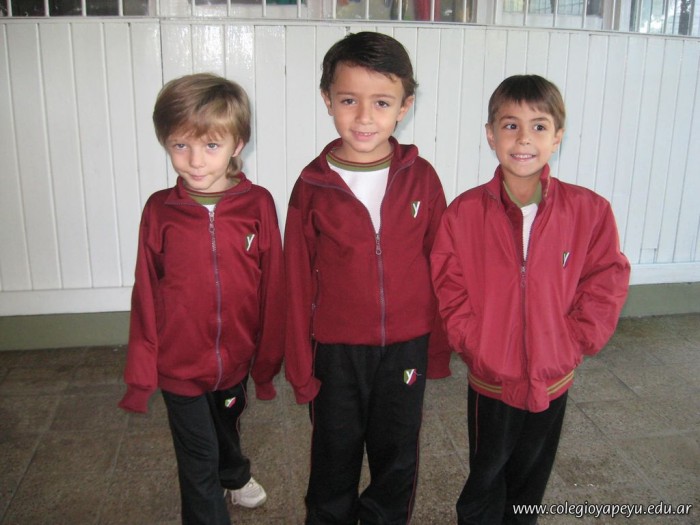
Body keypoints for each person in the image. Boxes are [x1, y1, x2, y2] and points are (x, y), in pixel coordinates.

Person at [430, 74, 631, 524]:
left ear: (558, 136)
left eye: (539, 126)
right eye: (510, 125)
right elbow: (448, 284)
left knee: (530, 479)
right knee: (486, 477)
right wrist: (473, 342)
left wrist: (573, 341)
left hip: (552, 376)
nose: (524, 139)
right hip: (491, 380)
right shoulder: (463, 213)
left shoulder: (589, 211)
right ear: (490, 134)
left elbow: (606, 279)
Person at [284, 31, 451, 525]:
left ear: (404, 106)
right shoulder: (311, 186)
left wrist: (438, 348)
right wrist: (299, 363)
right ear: (327, 100)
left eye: (381, 102)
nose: (363, 117)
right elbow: (296, 281)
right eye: (348, 100)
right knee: (333, 454)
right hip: (335, 351)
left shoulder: (422, 178)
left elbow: (442, 266)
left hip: (406, 346)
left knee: (397, 456)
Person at [118, 73, 285, 525]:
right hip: (178, 363)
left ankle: (234, 473)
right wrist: (143, 368)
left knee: (225, 426)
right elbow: (145, 290)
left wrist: (266, 359)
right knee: (197, 460)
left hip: (236, 357)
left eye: (211, 145)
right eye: (180, 145)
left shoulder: (258, 204)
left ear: (237, 144)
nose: (194, 161)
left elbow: (273, 284)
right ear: (165, 142)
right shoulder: (160, 211)